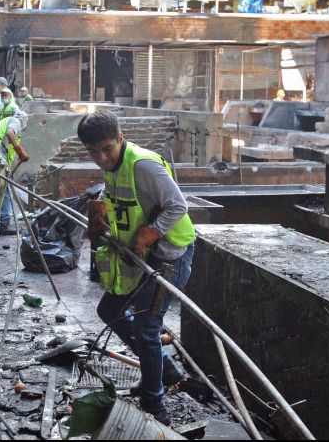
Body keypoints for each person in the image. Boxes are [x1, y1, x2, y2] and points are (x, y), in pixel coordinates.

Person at [80, 110, 196, 426]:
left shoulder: (144, 166)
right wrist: (100, 219)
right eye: (93, 152)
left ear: (120, 138)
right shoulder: (113, 169)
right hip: (143, 254)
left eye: (107, 149)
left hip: (170, 254)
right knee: (109, 310)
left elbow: (178, 205)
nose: (101, 158)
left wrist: (151, 231)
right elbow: (119, 200)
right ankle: (164, 367)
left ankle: (155, 407)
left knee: (147, 329)